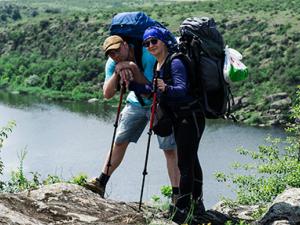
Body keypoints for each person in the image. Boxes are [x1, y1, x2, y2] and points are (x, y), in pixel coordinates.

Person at [84, 35, 180, 203]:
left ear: (126, 45)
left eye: (117, 50)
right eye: (111, 54)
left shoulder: (148, 54)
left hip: (159, 104)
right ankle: (101, 182)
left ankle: (177, 195)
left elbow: (152, 90)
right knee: (120, 141)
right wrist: (117, 71)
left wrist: (132, 68)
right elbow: (107, 94)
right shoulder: (113, 63)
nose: (115, 55)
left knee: (169, 149)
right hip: (135, 103)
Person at [128, 26, 206, 224]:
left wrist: (166, 87)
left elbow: (181, 89)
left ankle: (182, 209)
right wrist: (132, 85)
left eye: (154, 41)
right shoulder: (159, 64)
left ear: (163, 41)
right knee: (191, 160)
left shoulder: (176, 61)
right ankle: (197, 205)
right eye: (146, 43)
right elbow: (154, 89)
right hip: (181, 118)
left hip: (190, 117)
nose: (150, 46)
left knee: (185, 163)